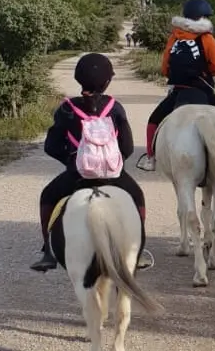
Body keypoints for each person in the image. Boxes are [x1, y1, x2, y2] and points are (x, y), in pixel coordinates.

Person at [30, 53, 152, 273]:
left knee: (47, 195)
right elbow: (128, 147)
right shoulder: (115, 108)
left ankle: (48, 251)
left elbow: (51, 146)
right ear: (107, 82)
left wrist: (72, 161)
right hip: (113, 176)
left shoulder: (67, 108)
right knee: (137, 196)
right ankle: (139, 251)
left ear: (78, 78)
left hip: (77, 174)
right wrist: (113, 163)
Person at [140, 0, 215, 171]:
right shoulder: (206, 38)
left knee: (153, 121)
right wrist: (207, 71)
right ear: (203, 18)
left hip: (178, 92)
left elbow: (165, 68)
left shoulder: (174, 37)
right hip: (202, 90)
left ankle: (151, 159)